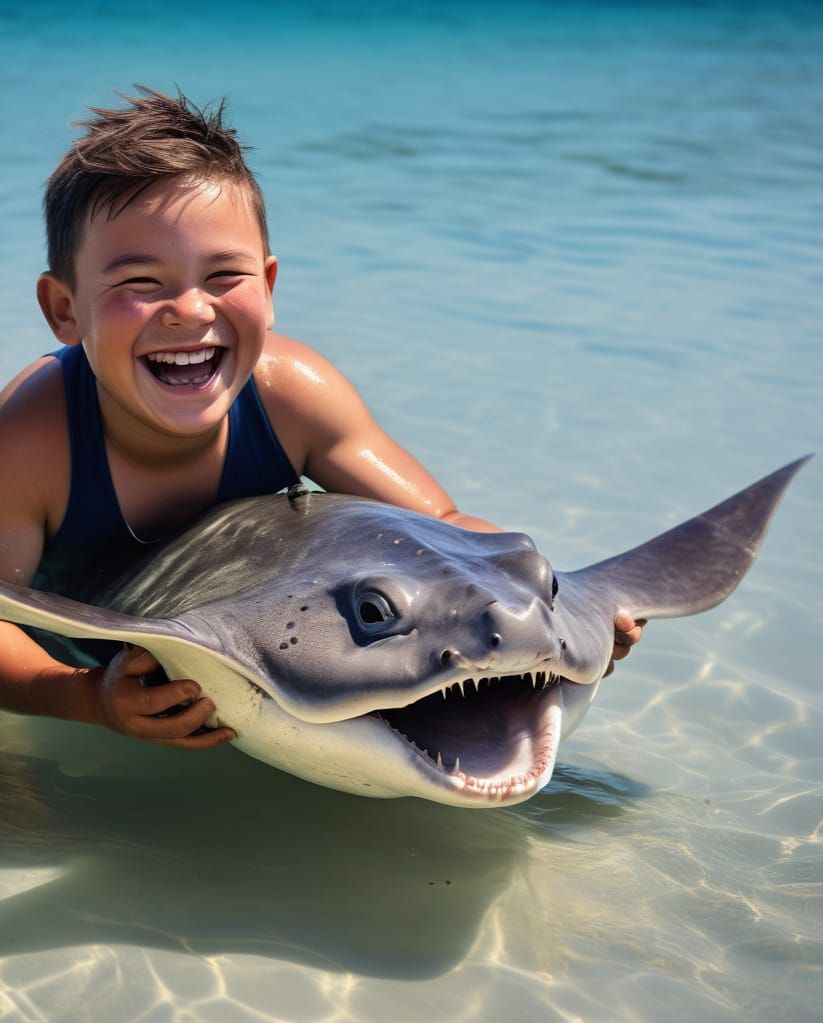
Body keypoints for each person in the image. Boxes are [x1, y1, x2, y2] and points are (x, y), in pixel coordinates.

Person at [0, 87, 643, 751]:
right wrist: (84, 697)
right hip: (70, 632)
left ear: (269, 286)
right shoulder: (34, 438)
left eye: (223, 275)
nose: (190, 310)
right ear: (65, 310)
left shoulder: (293, 393)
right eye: (141, 282)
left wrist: (561, 613)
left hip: (250, 611)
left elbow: (445, 532)